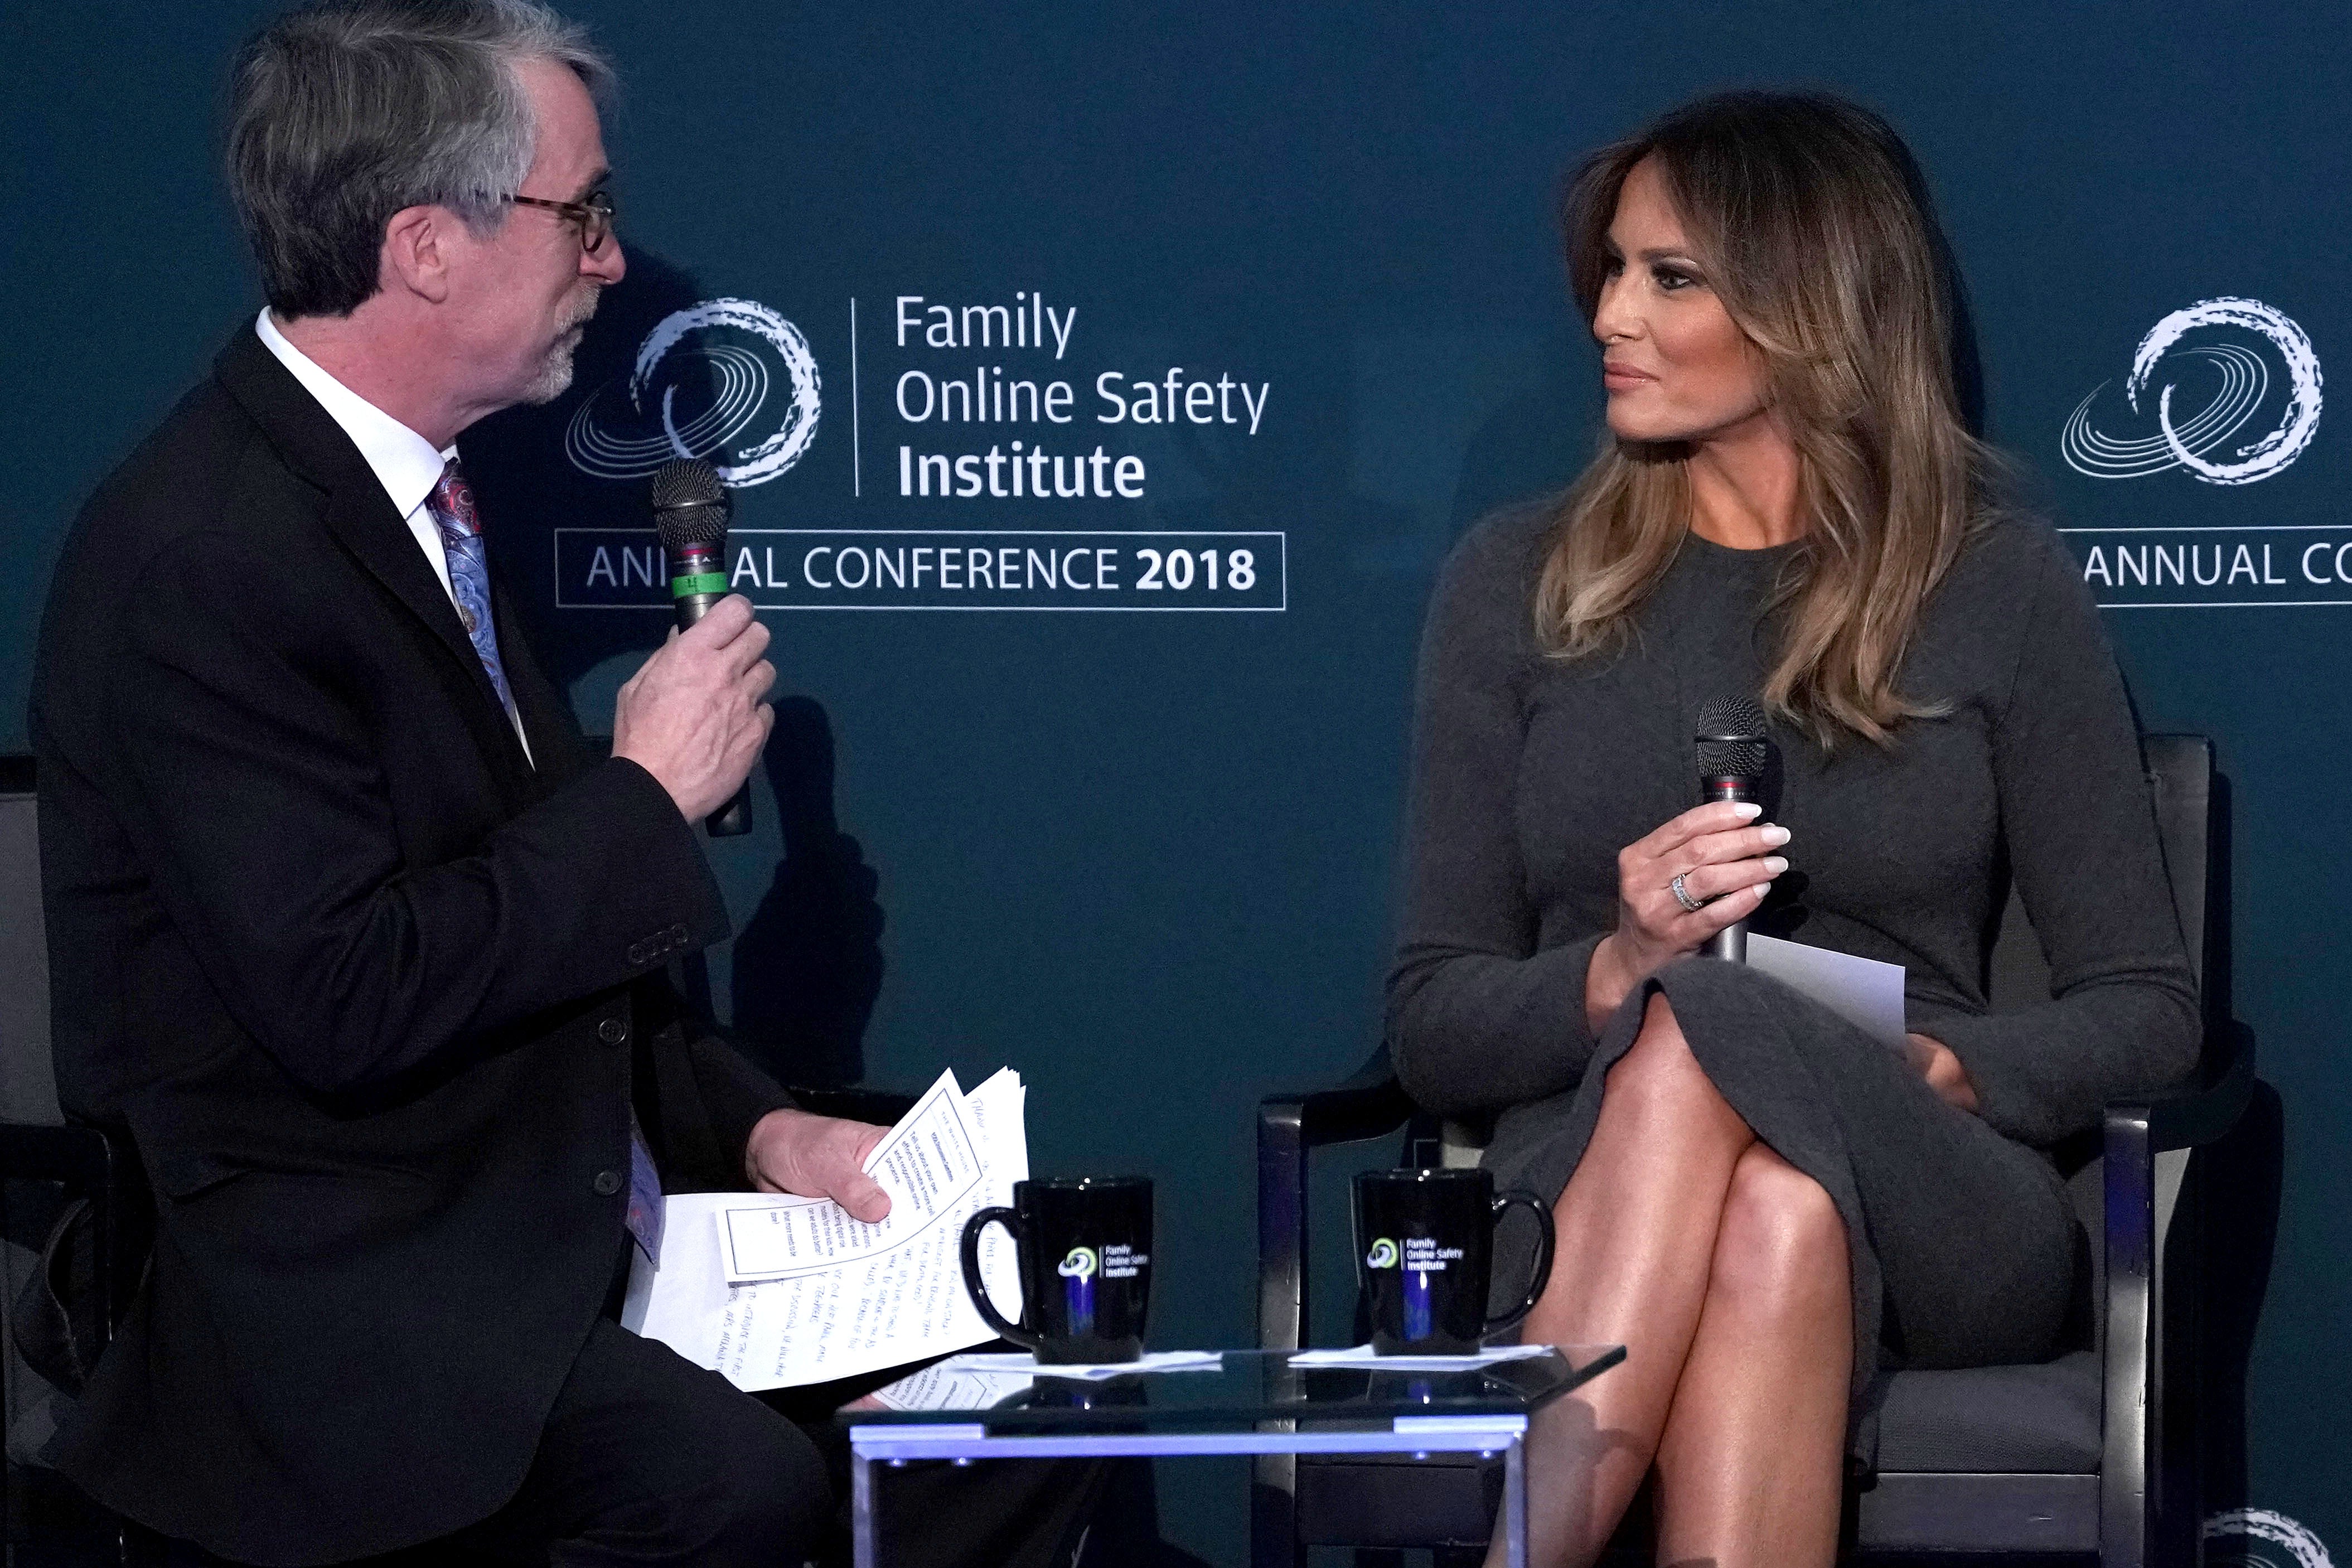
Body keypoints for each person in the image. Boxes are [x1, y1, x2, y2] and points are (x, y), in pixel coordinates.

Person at [29, 4, 1100, 1564]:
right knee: (727, 1486)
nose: (609, 259)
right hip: (336, 1303)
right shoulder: (207, 561)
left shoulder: (421, 505)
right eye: (582, 213)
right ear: (425, 246)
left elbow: (550, 948)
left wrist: (764, 1131)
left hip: (542, 1224)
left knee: (1016, 1401)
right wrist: (645, 790)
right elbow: (353, 991)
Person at [1386, 91, 2199, 1568]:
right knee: (1764, 1192)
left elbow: (2145, 1010)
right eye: (1612, 273)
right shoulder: (1515, 582)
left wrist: (1958, 1063)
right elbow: (1430, 1016)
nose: (1610, 317)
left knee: (1717, 1017)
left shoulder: (1994, 583)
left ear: (1811, 309)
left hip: (1934, 1177)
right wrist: (1615, 964)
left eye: (1669, 277)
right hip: (1581, 1184)